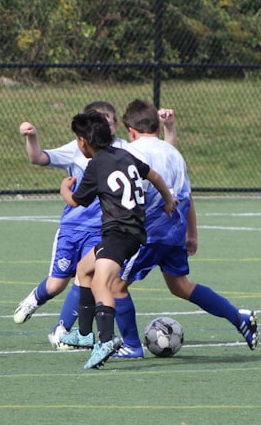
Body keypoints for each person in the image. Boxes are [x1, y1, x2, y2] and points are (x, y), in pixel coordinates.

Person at [13, 103, 178, 346]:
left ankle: (77, 334)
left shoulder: (120, 150)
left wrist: (169, 128)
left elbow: (161, 154)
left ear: (114, 126)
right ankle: (46, 308)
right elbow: (38, 157)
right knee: (62, 281)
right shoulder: (79, 150)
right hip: (75, 227)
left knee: (93, 281)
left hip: (106, 229)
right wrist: (33, 137)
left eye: (108, 120)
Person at [109, 98, 259, 358]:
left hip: (150, 234)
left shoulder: (134, 153)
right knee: (180, 286)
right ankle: (238, 317)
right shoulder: (174, 154)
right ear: (157, 126)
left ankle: (132, 345)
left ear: (130, 130)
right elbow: (187, 196)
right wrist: (192, 233)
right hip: (175, 231)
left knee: (114, 285)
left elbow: (135, 196)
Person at [58, 110, 178, 370]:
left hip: (120, 233)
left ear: (82, 141)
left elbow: (77, 201)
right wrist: (168, 200)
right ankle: (85, 333)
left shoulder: (96, 165)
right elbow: (154, 176)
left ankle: (105, 340)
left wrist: (64, 188)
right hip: (125, 231)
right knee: (84, 269)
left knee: (103, 283)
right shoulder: (124, 155)